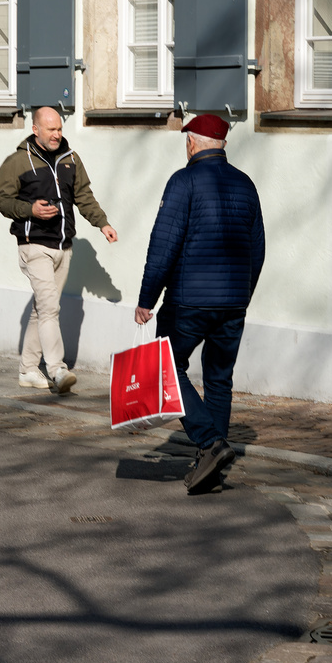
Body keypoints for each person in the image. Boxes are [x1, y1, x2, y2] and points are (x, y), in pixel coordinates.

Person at [135, 114, 265, 495]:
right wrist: (243, 293)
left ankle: (210, 443)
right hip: (233, 303)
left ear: (192, 143)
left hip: (188, 301)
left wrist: (147, 298)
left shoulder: (183, 181)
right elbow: (257, 249)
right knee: (219, 380)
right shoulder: (246, 185)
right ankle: (214, 463)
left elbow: (163, 245)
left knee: (166, 369)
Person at [0, 106, 117, 394]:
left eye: (59, 129)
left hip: (64, 245)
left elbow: (83, 195)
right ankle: (57, 369)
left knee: (42, 310)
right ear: (35, 129)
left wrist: (102, 224)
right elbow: (2, 201)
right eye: (51, 129)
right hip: (33, 244)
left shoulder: (70, 159)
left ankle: (27, 369)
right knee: (50, 307)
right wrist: (30, 209)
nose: (57, 134)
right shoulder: (17, 162)